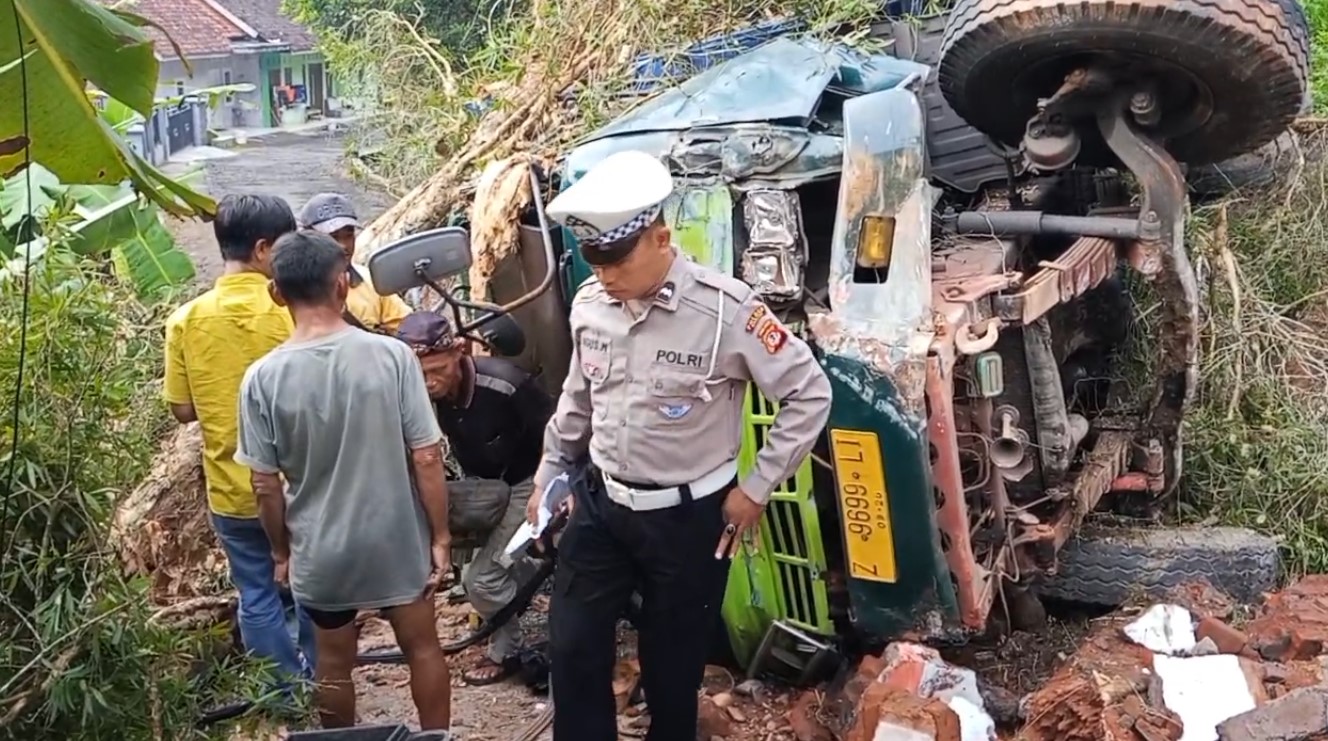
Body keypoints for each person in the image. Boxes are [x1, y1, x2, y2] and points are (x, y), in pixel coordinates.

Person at [532, 149, 833, 741]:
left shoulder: (725, 314)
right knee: (571, 648)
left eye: (616, 258)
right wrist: (552, 468)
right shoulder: (591, 305)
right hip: (603, 504)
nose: (605, 274)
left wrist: (755, 487)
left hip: (691, 519)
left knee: (673, 666)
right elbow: (578, 396)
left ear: (661, 237)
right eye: (593, 259)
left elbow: (809, 393)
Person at [234, 231, 453, 730]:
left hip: (321, 548)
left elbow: (265, 485)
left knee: (334, 664)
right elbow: (425, 456)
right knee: (422, 648)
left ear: (276, 293)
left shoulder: (261, 379)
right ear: (341, 285)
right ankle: (436, 738)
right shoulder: (392, 357)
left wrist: (282, 552)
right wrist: (439, 536)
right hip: (396, 540)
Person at [162, 194, 316, 684]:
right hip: (301, 481)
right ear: (264, 249)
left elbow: (183, 409)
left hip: (231, 488)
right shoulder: (290, 311)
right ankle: (324, 682)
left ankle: (282, 692)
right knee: (314, 587)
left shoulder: (185, 320)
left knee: (256, 592)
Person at [395, 311, 555, 686]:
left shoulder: (505, 384)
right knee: (466, 563)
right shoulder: (413, 392)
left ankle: (508, 650)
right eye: (420, 374)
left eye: (438, 370)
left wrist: (546, 492)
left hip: (530, 482)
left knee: (480, 581)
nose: (430, 383)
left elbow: (558, 436)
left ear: (459, 351)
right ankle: (527, 577)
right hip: (486, 484)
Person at [297, 192, 412, 334]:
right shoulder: (293, 289)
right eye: (333, 237)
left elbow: (409, 327)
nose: (343, 245)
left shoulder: (371, 280)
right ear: (308, 238)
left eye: (348, 236)